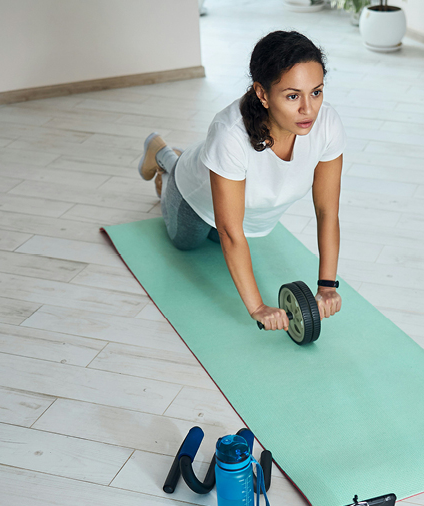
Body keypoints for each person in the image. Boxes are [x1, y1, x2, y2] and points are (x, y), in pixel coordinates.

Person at [137, 30, 346, 334]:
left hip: (237, 198)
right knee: (188, 243)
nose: (308, 109)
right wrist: (257, 307)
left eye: (316, 92)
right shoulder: (229, 135)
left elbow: (327, 211)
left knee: (217, 242)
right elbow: (230, 232)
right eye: (292, 96)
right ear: (263, 94)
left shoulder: (327, 124)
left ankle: (187, 158)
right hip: (195, 197)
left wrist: (327, 285)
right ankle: (165, 156)